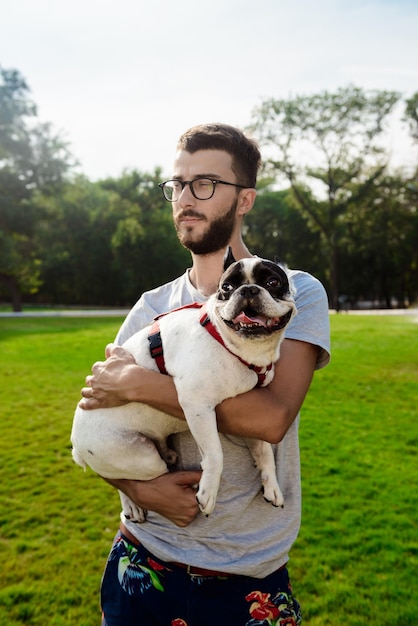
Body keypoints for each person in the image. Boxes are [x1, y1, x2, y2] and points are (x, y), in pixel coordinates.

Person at [79, 123, 330, 626]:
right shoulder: (152, 307)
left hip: (246, 570)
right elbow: (93, 421)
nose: (186, 198)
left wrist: (139, 384)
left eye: (206, 184)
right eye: (178, 184)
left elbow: (270, 418)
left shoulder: (294, 292)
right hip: (142, 558)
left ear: (245, 200)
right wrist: (137, 489)